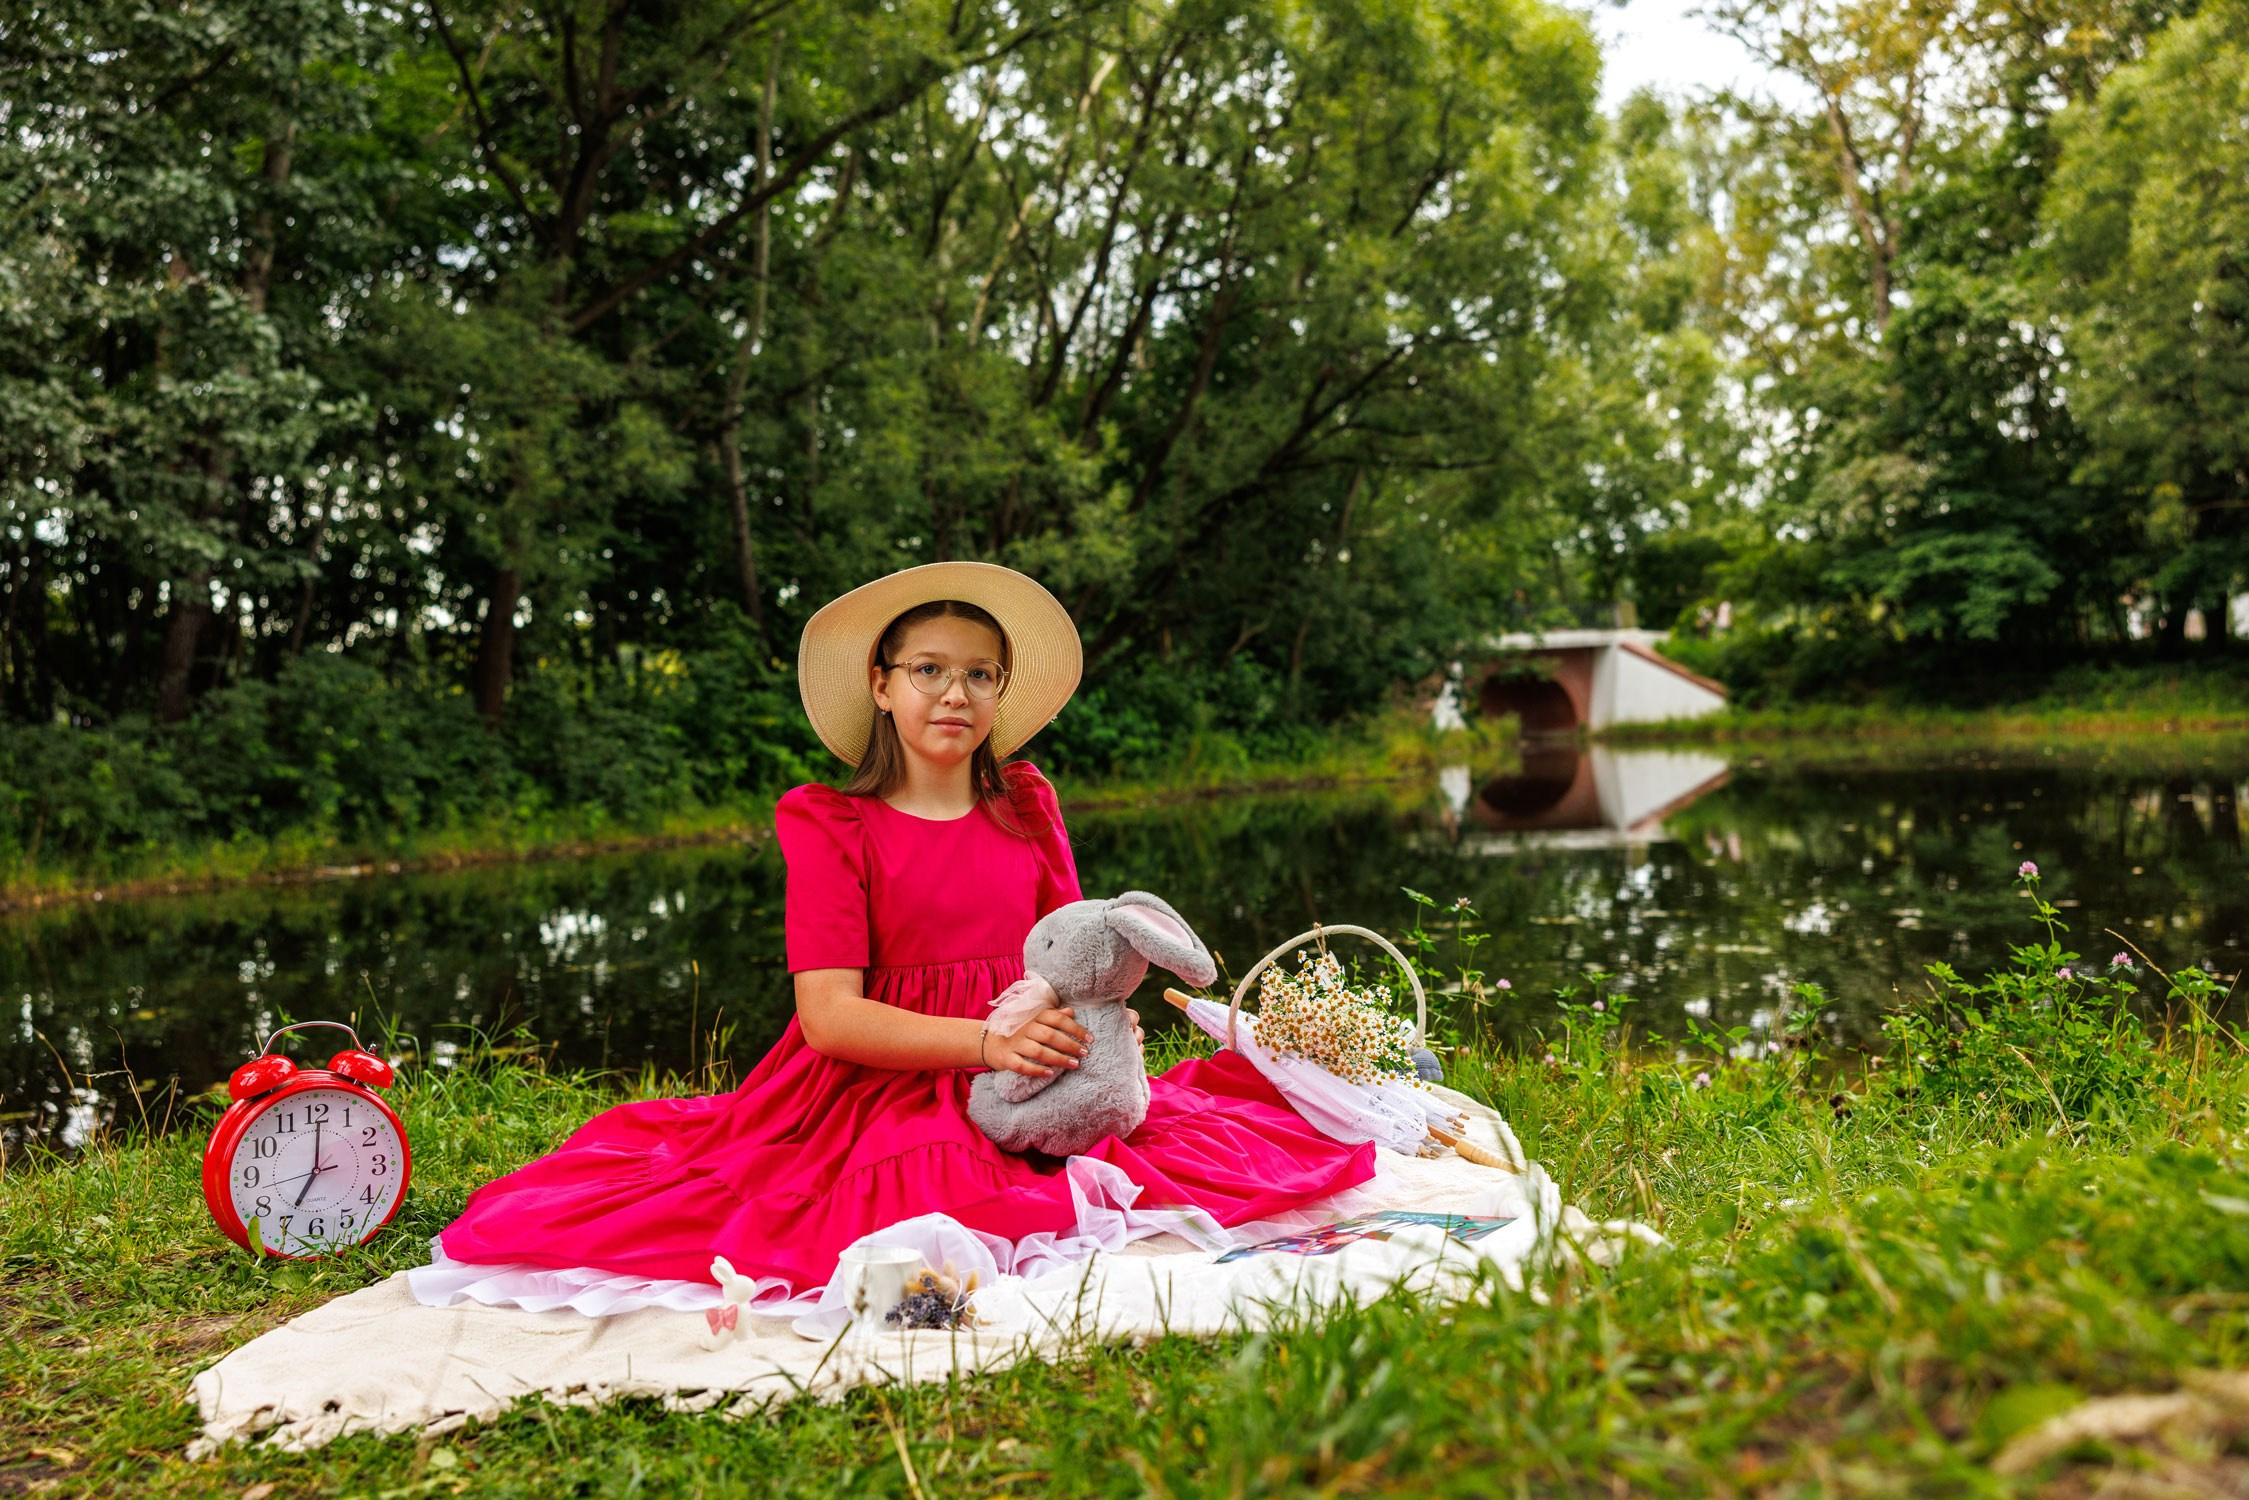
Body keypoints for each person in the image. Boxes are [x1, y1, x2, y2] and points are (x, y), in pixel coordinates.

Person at [420, 562, 1376, 1307]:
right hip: (879, 1081)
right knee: (918, 1213)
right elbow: (830, 1017)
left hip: (1030, 1065)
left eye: (978, 675)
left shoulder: (1026, 805)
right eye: (928, 671)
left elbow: (1080, 955)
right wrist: (982, 1043)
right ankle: (904, 1307)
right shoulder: (830, 823)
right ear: (882, 685)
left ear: (1000, 693)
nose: (953, 694)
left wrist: (1090, 1030)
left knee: (1159, 1158)